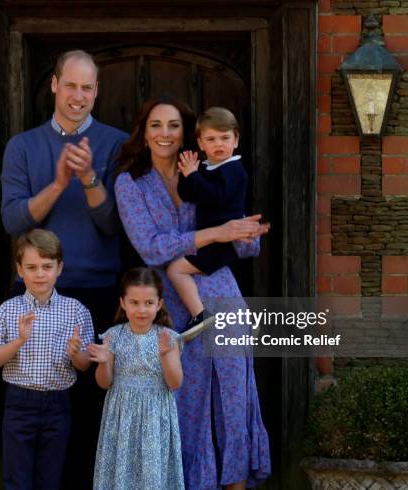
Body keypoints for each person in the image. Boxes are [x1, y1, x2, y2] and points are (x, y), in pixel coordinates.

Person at [114, 96, 271, 489]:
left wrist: (246, 234)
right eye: (156, 125)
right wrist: (217, 233)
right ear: (144, 132)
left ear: (188, 135)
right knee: (183, 404)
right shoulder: (130, 182)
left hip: (221, 290)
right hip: (166, 302)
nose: (164, 134)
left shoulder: (211, 169)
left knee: (234, 399)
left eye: (173, 126)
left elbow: (242, 242)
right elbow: (150, 247)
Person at [0, 49, 128, 488]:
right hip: (35, 294)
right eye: (70, 85)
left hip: (96, 290)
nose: (78, 96)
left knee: (90, 409)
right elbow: (14, 221)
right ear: (54, 84)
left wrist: (90, 178)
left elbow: (115, 225)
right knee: (32, 409)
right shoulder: (23, 146)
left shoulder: (117, 144)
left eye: (87, 87)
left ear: (97, 91)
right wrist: (57, 183)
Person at [0, 229, 93, 490]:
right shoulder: (8, 310)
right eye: (32, 267)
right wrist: (19, 341)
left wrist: (76, 352)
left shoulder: (76, 310)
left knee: (50, 478)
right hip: (19, 402)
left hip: (58, 404)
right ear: (20, 270)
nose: (40, 274)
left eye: (47, 266)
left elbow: (85, 364)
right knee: (16, 477)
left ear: (59, 268)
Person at [88, 267, 184, 490]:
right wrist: (103, 361)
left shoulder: (168, 338)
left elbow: (175, 383)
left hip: (155, 416)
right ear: (123, 302)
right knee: (121, 471)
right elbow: (104, 383)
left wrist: (166, 355)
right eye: (134, 302)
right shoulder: (113, 335)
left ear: (159, 304)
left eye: (149, 303)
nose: (142, 310)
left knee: (152, 475)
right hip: (121, 417)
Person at [169, 107, 259, 329]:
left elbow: (216, 196)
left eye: (225, 138)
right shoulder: (209, 168)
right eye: (211, 139)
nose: (218, 144)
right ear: (200, 143)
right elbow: (188, 194)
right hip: (210, 240)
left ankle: (200, 314)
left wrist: (194, 175)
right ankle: (244, 318)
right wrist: (186, 175)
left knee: (176, 269)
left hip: (222, 243)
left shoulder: (233, 170)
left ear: (236, 140)